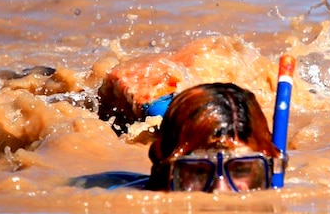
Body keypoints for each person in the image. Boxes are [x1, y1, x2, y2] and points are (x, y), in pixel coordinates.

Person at [69, 82, 286, 192]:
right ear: (163, 165)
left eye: (241, 169)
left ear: (273, 165)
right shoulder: (104, 191)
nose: (220, 192)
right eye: (199, 171)